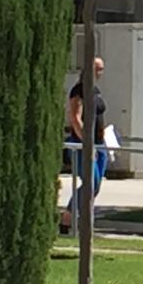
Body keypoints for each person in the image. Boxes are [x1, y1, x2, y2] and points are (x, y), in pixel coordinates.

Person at [59, 57, 108, 235]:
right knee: (90, 182)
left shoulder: (95, 90)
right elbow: (75, 118)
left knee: (96, 185)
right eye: (98, 69)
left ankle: (74, 216)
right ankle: (68, 218)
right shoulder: (79, 90)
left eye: (102, 69)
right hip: (83, 143)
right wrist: (87, 143)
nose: (100, 73)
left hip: (100, 144)